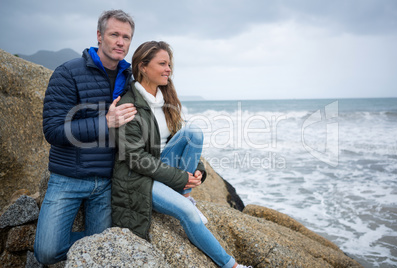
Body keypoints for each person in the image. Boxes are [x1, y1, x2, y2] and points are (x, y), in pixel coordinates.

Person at [112, 41, 252, 268]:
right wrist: (181, 177)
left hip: (165, 168)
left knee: (193, 131)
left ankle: (185, 195)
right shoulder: (129, 105)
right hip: (140, 178)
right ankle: (232, 266)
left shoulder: (167, 100)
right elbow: (136, 159)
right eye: (162, 64)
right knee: (188, 213)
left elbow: (181, 140)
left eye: (170, 64)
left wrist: (198, 170)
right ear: (143, 67)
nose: (169, 69)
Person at [34, 10, 137, 265]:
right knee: (46, 253)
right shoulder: (68, 72)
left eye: (126, 37)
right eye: (114, 34)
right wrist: (105, 122)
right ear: (100, 36)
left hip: (107, 182)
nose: (120, 42)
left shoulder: (130, 78)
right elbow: (54, 131)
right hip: (67, 179)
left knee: (100, 251)